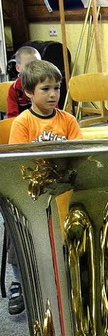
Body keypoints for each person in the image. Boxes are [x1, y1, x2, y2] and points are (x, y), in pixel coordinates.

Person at [8, 59, 83, 315]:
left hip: (62, 188)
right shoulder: (23, 123)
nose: (53, 94)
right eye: (46, 89)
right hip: (33, 191)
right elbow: (19, 163)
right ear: (29, 92)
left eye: (57, 88)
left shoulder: (69, 120)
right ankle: (18, 281)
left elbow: (78, 155)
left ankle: (76, 273)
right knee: (15, 230)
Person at [6, 46, 41, 118]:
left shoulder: (45, 85)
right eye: (28, 66)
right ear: (18, 68)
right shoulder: (14, 89)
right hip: (22, 125)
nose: (33, 69)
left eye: (37, 65)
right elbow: (12, 116)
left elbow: (53, 109)